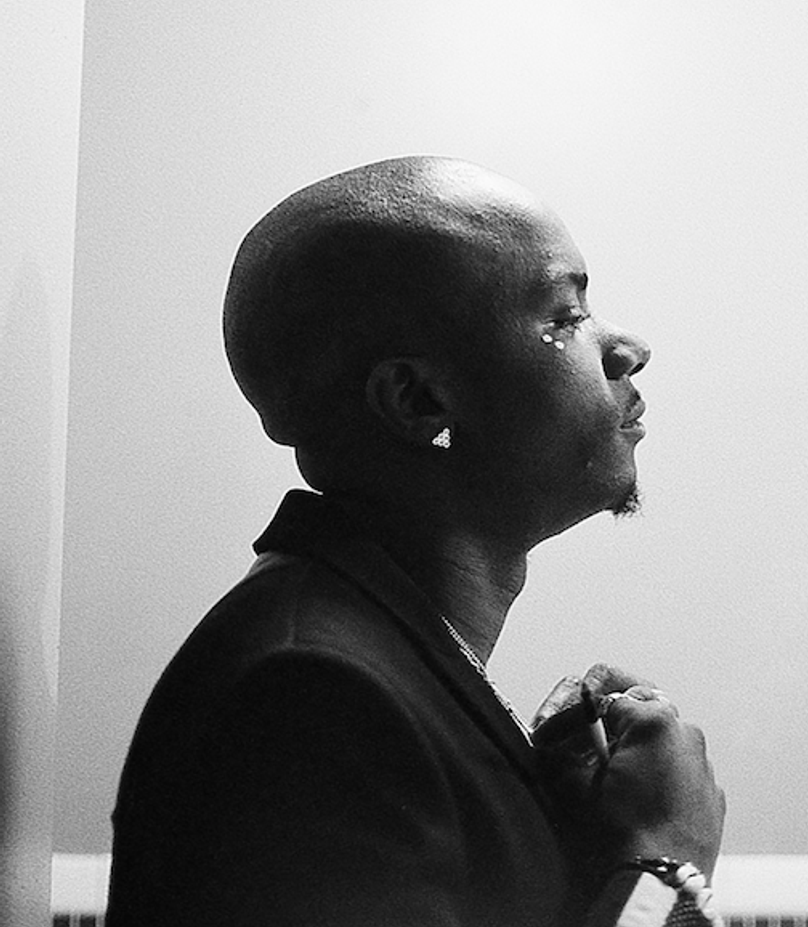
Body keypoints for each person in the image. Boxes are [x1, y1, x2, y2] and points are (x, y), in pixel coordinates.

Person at [105, 156, 725, 927]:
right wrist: (666, 864)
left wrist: (581, 858)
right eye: (565, 317)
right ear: (418, 398)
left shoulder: (374, 661)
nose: (628, 348)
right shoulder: (309, 702)